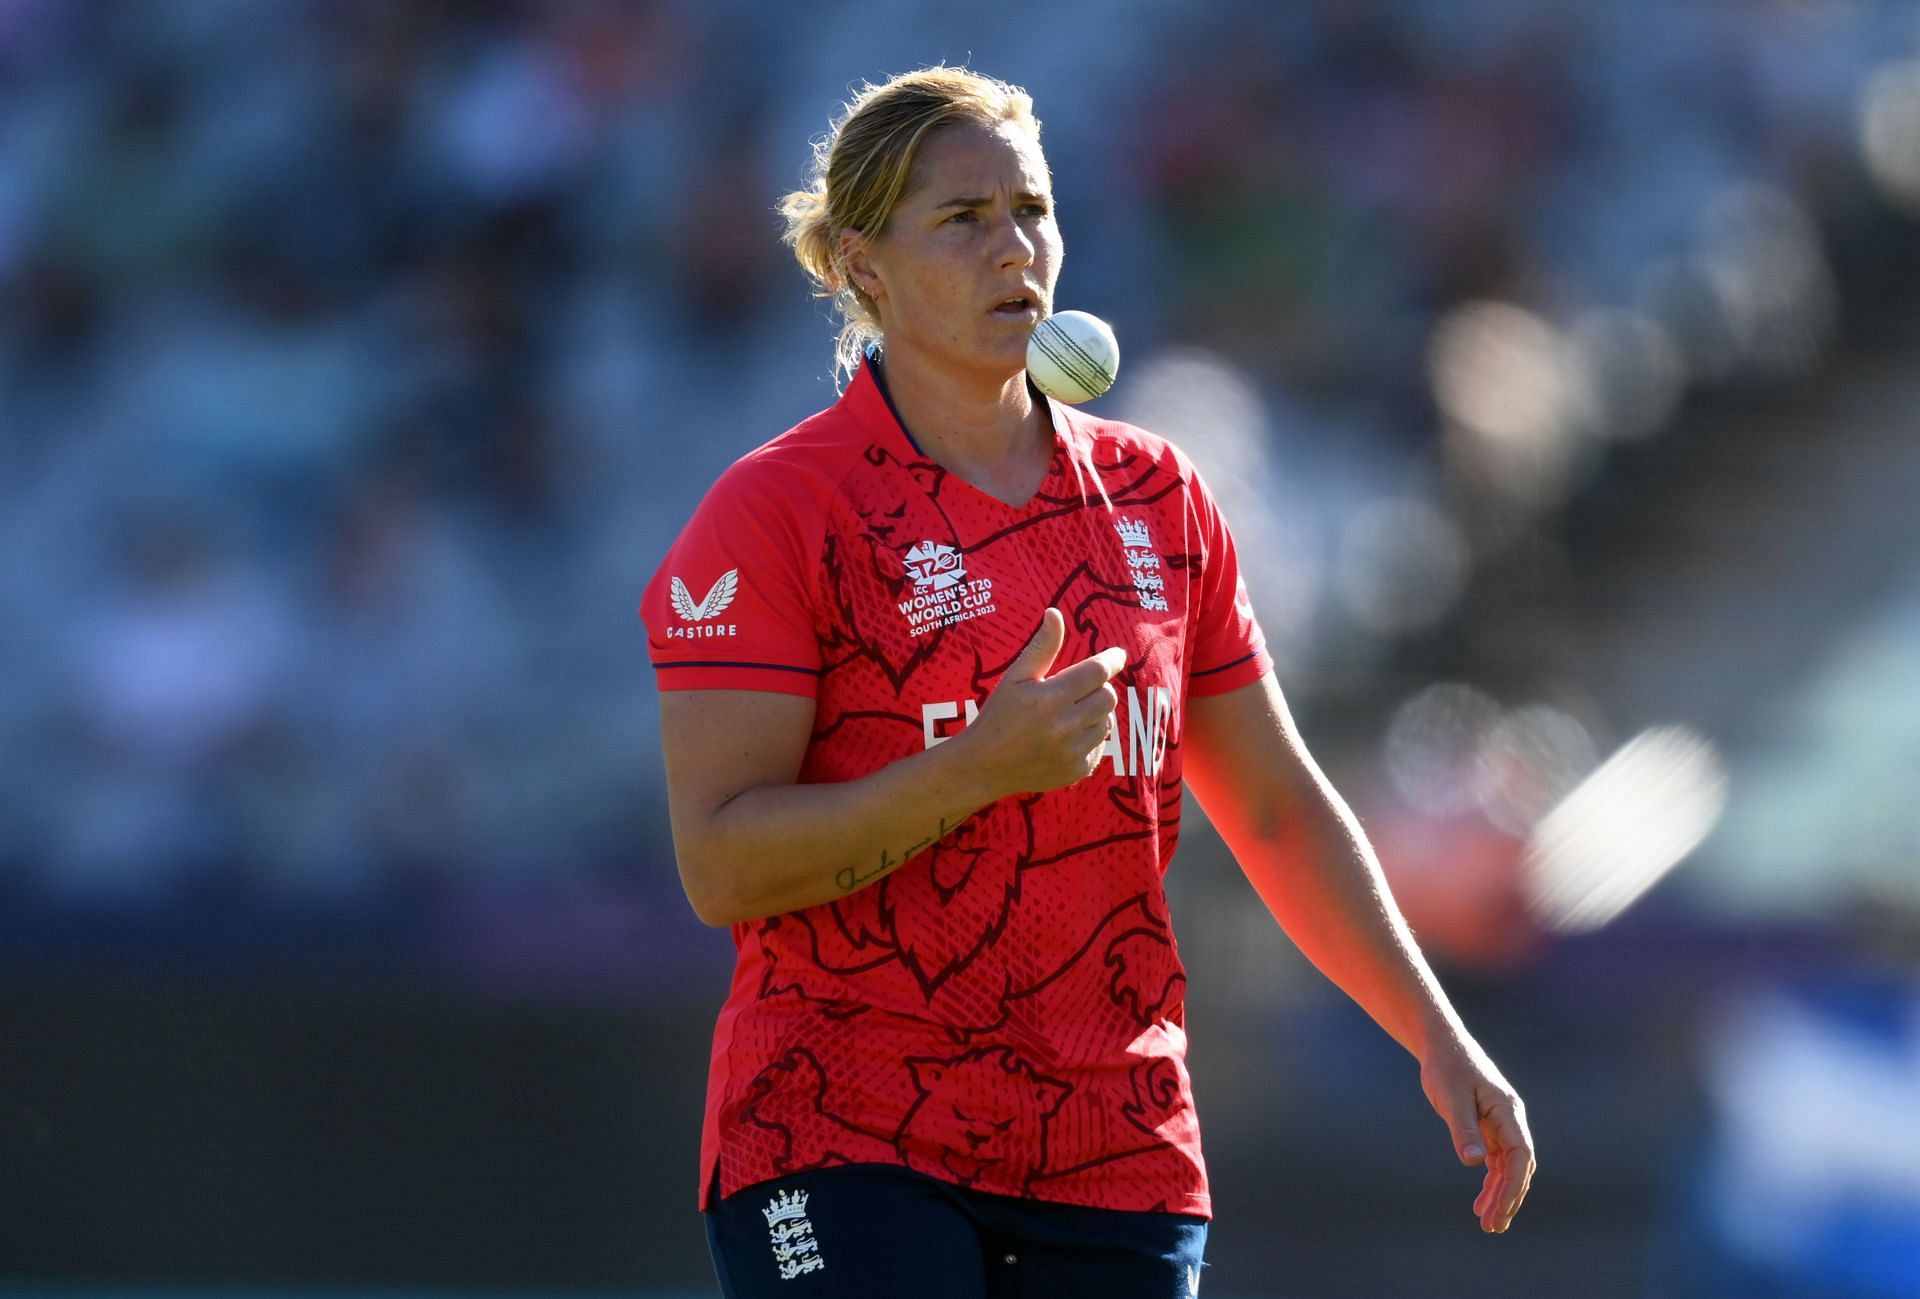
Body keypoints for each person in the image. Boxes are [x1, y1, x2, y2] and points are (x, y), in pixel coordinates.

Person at [640, 66, 1535, 1298]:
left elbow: (1275, 806)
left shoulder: (1160, 499)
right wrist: (974, 772)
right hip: (840, 1133)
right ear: (864, 267)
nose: (1016, 247)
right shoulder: (779, 513)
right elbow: (720, 863)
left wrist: (1437, 1036)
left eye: (1033, 211)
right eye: (963, 219)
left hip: (1114, 1150)